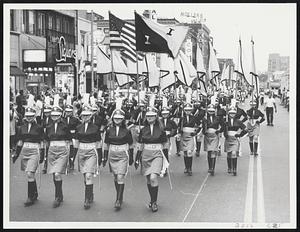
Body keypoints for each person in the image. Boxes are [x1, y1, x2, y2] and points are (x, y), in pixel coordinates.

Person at [134, 106, 168, 212]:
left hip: (157, 154)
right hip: (146, 155)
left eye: (152, 116)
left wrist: (166, 159)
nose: (149, 118)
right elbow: (140, 145)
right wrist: (137, 158)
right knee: (148, 179)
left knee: (153, 177)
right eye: (148, 116)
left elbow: (165, 144)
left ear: (156, 117)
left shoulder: (161, 129)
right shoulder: (143, 130)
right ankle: (152, 199)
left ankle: (154, 202)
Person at [12, 107, 45, 206]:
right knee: (29, 174)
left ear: (34, 116)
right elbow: (20, 141)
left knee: (30, 173)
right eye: (27, 116)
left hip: (35, 151)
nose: (29, 118)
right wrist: (16, 154)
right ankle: (34, 193)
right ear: (25, 116)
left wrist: (42, 154)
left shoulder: (39, 128)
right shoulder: (21, 127)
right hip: (25, 151)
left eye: (31, 116)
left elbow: (42, 142)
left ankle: (30, 197)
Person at [103, 107, 134, 210]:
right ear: (113, 119)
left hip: (123, 154)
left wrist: (131, 157)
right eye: (116, 118)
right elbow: (107, 144)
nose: (117, 120)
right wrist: (104, 157)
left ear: (123, 119)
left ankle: (118, 199)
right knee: (116, 176)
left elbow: (130, 145)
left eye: (120, 118)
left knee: (120, 176)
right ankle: (119, 195)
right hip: (112, 154)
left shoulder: (127, 131)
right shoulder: (109, 130)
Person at [74, 105, 101, 210]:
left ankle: (86, 200)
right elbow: (76, 142)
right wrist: (73, 155)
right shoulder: (78, 127)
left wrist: (100, 156)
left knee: (89, 175)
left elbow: (98, 143)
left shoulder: (95, 128)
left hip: (91, 152)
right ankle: (90, 193)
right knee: (85, 175)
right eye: (83, 115)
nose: (85, 117)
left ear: (91, 116)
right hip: (81, 152)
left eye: (87, 115)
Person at [45, 106, 71, 208]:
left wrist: (70, 156)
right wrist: (45, 154)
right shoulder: (48, 126)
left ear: (60, 115)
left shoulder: (65, 126)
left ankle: (57, 197)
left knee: (57, 173)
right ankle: (60, 194)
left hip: (62, 150)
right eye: (53, 115)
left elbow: (69, 140)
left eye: (57, 115)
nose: (55, 117)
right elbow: (47, 140)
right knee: (54, 174)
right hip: (52, 150)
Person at [223, 106, 247, 176]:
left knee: (234, 153)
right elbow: (222, 129)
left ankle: (234, 168)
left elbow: (245, 129)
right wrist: (225, 133)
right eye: (231, 113)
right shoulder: (226, 121)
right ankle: (229, 167)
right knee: (229, 154)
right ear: (228, 114)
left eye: (233, 113)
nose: (232, 115)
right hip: (228, 138)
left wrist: (240, 135)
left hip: (235, 139)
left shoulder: (238, 121)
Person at [178, 103, 201, 176]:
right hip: (183, 136)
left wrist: (195, 132)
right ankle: (186, 167)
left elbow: (200, 125)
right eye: (186, 110)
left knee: (189, 152)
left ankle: (190, 168)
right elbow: (178, 127)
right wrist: (179, 132)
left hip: (190, 136)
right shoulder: (182, 118)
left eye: (189, 110)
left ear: (191, 110)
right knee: (185, 153)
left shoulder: (194, 118)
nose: (187, 112)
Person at [202, 104, 223, 176]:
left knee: (213, 152)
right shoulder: (205, 118)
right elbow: (203, 129)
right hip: (208, 136)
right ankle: (209, 166)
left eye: (212, 111)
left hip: (214, 135)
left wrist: (219, 130)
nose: (211, 112)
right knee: (209, 151)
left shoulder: (218, 118)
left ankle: (212, 168)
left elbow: (223, 125)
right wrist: (204, 130)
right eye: (209, 111)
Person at [63, 104, 81, 170]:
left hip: (73, 136)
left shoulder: (75, 119)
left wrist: (75, 135)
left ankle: (71, 162)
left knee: (72, 151)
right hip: (65, 137)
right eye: (67, 111)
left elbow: (79, 128)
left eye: (69, 112)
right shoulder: (62, 119)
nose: (68, 113)